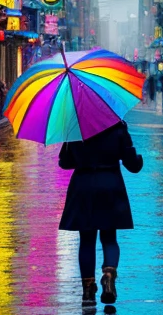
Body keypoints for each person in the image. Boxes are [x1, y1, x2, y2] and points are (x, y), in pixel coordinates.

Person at [58, 121, 143, 304]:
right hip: (110, 184)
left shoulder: (74, 127)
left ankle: (88, 290)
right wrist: (138, 160)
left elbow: (65, 162)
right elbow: (132, 164)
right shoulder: (117, 127)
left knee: (87, 240)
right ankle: (109, 276)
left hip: (83, 186)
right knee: (110, 237)